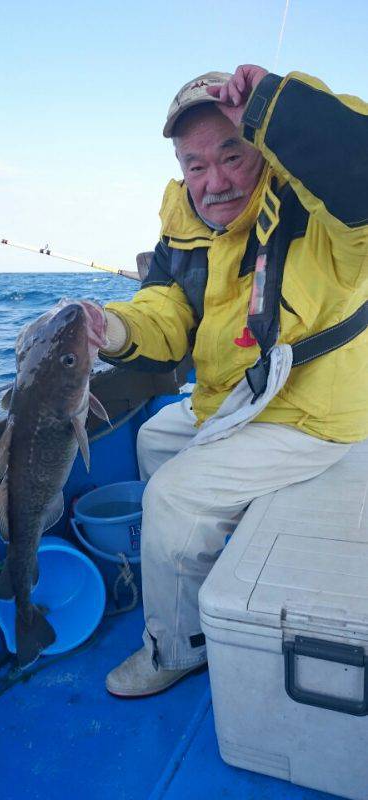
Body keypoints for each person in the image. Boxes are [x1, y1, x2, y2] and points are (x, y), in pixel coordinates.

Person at [98, 65, 368, 697]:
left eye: (232, 155)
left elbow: (356, 163)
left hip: (313, 415)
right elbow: (167, 311)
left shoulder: (324, 209)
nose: (213, 182)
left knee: (171, 497)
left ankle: (177, 648)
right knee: (156, 439)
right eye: (195, 166)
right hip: (238, 399)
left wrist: (278, 106)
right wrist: (108, 329)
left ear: (264, 148)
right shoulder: (190, 225)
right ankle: (198, 571)